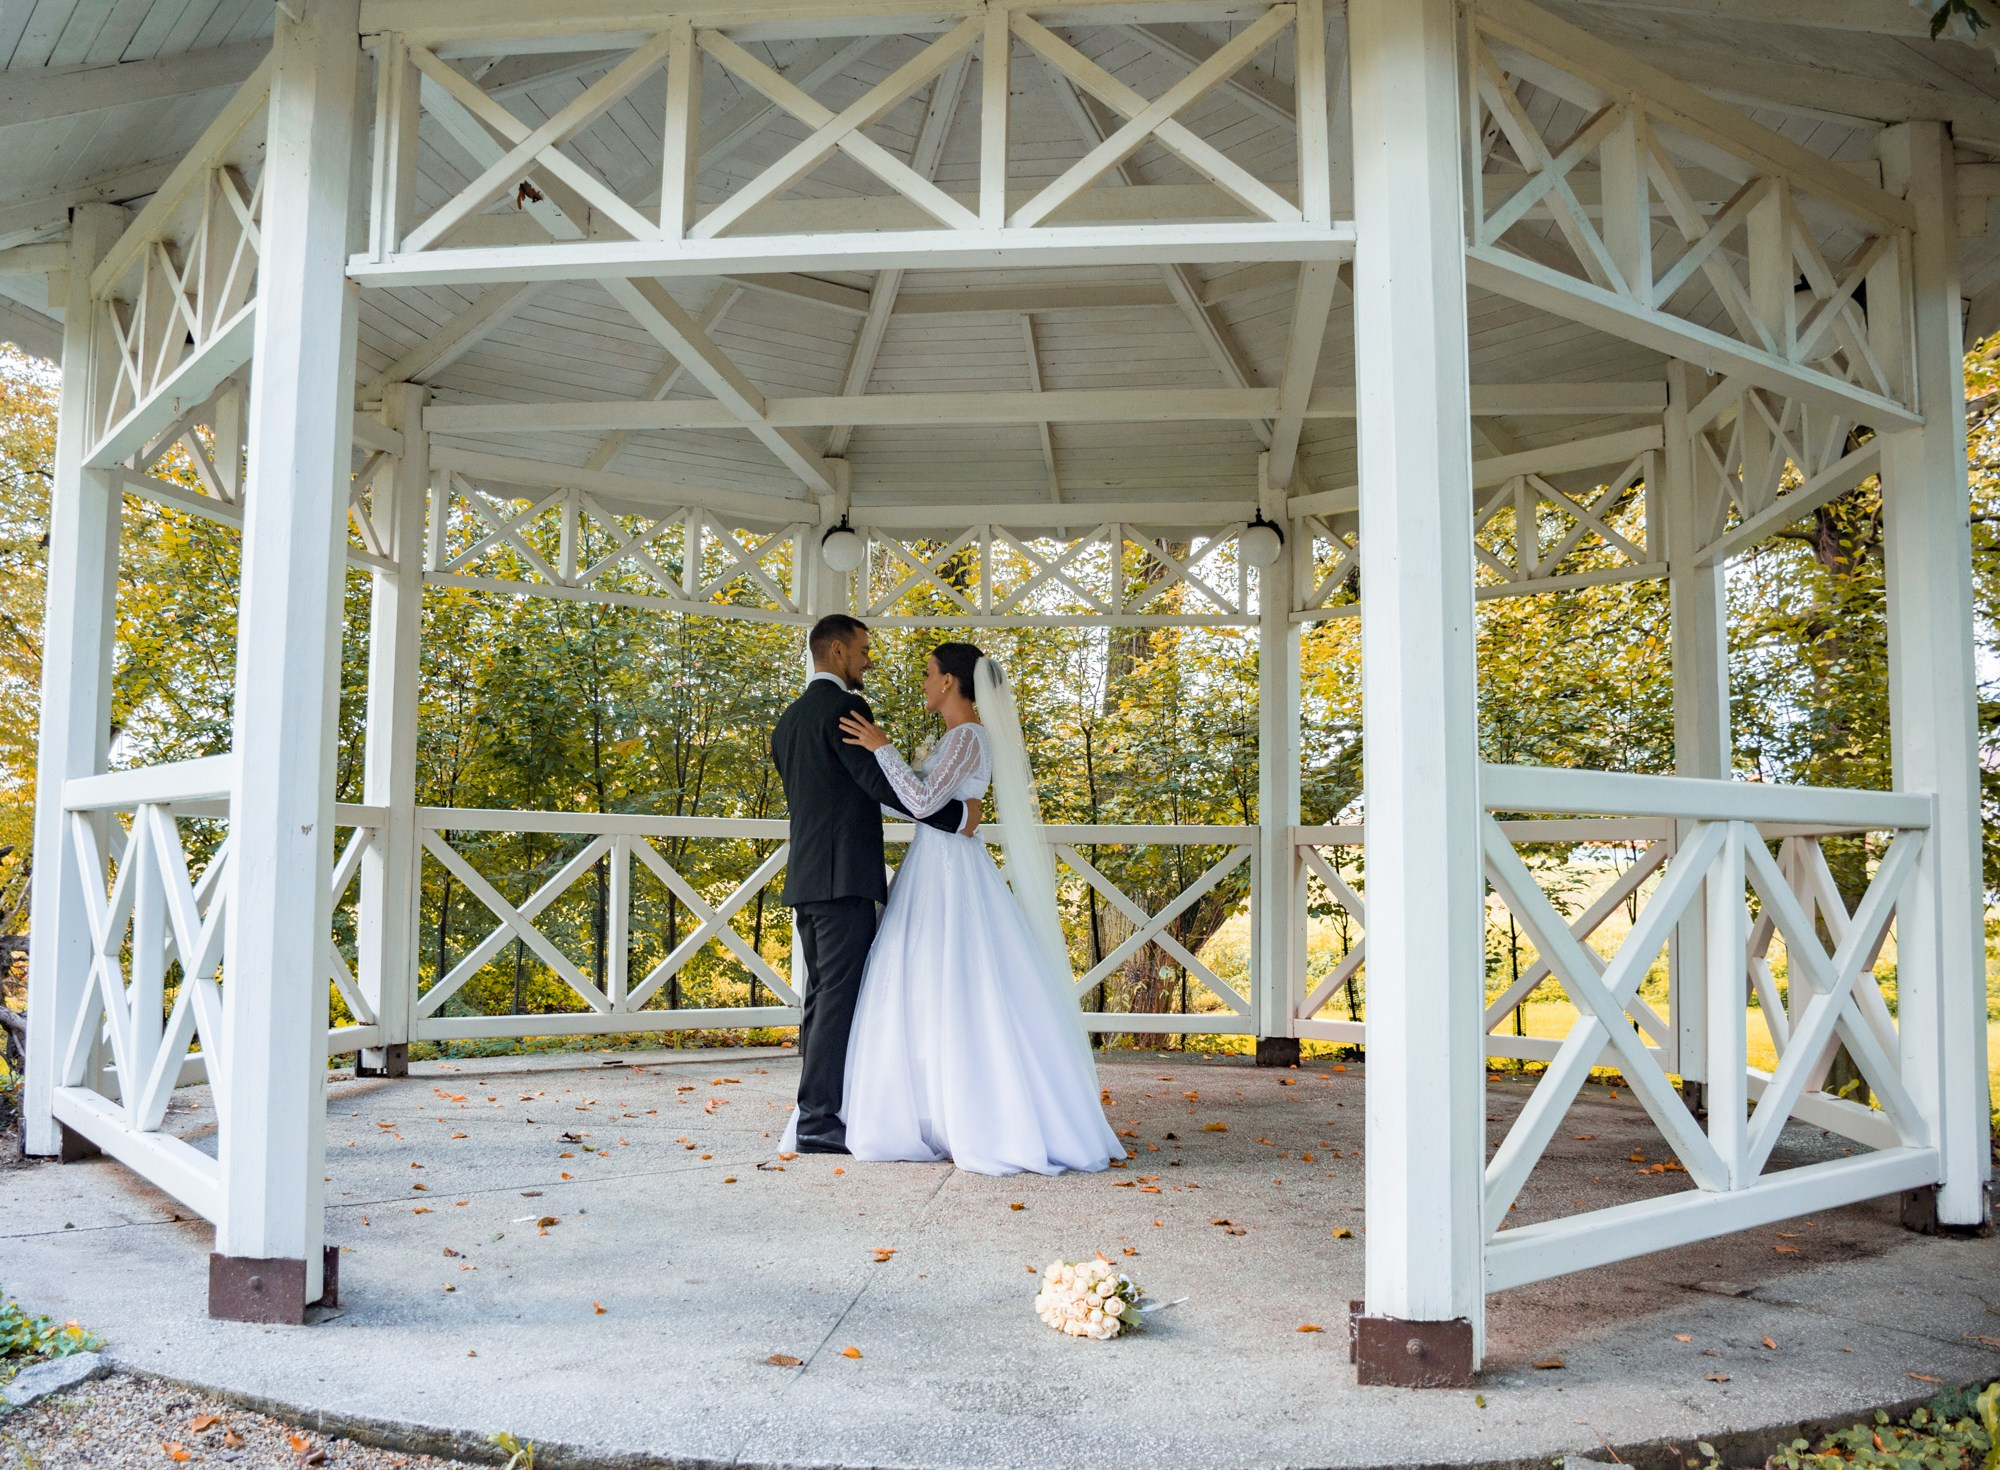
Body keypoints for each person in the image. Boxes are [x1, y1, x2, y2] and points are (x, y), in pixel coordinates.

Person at [789, 639, 1121, 1177]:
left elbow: (920, 803)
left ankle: (963, 1111)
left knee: (957, 982)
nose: (922, 682)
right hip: (930, 866)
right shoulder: (952, 739)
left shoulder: (968, 737)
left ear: (949, 682)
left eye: (927, 673)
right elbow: (934, 804)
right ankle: (920, 1107)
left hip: (951, 873)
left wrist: (881, 748)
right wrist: (958, 809)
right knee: (916, 983)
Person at [770, 615, 979, 1154]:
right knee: (838, 998)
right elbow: (882, 786)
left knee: (822, 998)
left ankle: (816, 1111)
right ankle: (818, 1119)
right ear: (837, 651)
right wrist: (956, 818)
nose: (869, 660)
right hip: (845, 880)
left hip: (809, 877)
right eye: (863, 649)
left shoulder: (788, 720)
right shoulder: (846, 709)